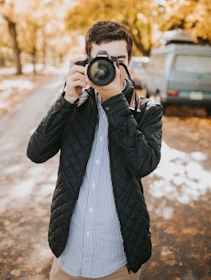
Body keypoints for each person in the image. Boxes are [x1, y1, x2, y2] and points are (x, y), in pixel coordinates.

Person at [27, 20, 163, 280]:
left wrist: (114, 101)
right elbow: (36, 152)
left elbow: (144, 164)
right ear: (86, 61)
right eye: (102, 59)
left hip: (118, 262)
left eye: (118, 59)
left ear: (129, 61)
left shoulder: (147, 110)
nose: (110, 66)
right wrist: (66, 98)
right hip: (68, 257)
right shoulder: (73, 103)